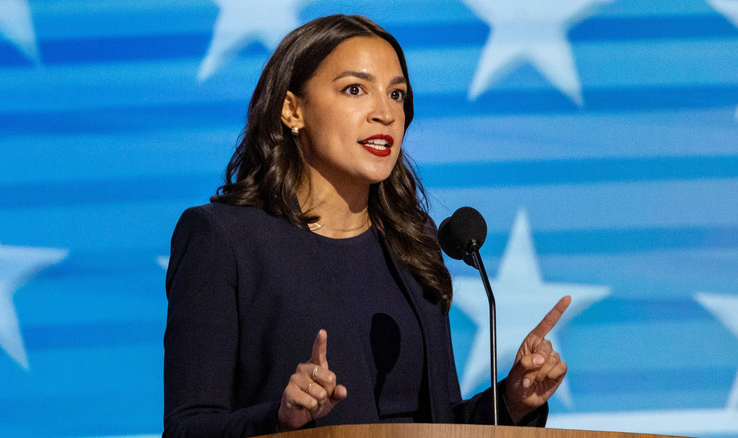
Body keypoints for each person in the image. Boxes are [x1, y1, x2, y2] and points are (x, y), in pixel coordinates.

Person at [163, 14, 570, 438]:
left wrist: (512, 401)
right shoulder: (224, 239)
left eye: (397, 94)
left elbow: (439, 423)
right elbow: (187, 428)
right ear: (292, 109)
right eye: (355, 89)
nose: (385, 113)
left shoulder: (413, 239)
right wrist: (281, 419)